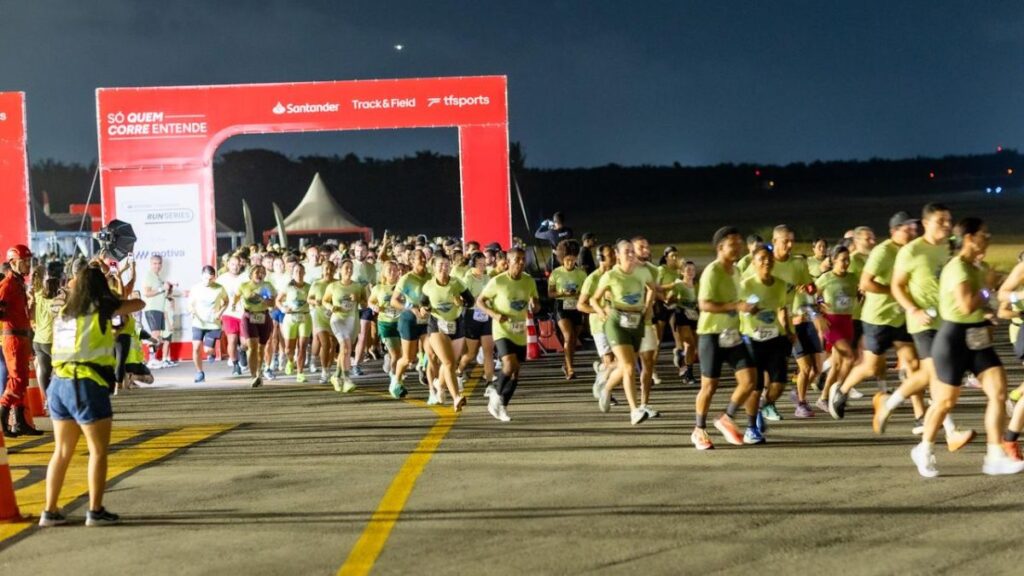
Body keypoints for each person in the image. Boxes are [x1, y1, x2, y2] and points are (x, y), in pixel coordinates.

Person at [841, 205, 973, 450]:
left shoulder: (947, 248)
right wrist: (913, 309)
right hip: (921, 322)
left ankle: (891, 406)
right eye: (941, 221)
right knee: (935, 375)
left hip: (944, 321)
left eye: (949, 220)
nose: (947, 225)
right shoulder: (910, 252)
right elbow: (897, 286)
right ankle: (947, 433)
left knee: (927, 375)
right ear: (926, 223)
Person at [910, 217, 1024, 477]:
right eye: (984, 234)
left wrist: (993, 304)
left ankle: (994, 455)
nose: (989, 238)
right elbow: (965, 306)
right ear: (970, 238)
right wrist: (987, 288)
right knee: (946, 401)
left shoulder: (976, 267)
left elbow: (986, 301)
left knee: (998, 392)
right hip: (953, 339)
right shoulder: (957, 268)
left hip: (977, 337)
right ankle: (924, 448)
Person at [39, 264, 145, 527]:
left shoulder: (65, 312)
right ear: (99, 288)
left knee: (61, 452)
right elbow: (138, 303)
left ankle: (49, 511)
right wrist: (114, 290)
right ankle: (95, 511)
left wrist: (112, 332)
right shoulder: (101, 306)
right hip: (87, 384)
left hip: (58, 385)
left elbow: (82, 341)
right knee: (98, 451)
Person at [692, 227, 758, 449]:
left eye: (739, 243)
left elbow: (738, 299)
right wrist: (735, 306)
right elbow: (704, 304)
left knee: (750, 380)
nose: (738, 247)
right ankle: (699, 429)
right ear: (721, 247)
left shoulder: (736, 271)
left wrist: (748, 307)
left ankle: (726, 417)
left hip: (732, 334)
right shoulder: (713, 271)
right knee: (709, 386)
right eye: (733, 244)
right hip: (710, 334)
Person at [591, 240, 655, 426]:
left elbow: (652, 288)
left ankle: (606, 388)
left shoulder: (642, 272)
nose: (630, 255)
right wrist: (603, 313)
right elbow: (595, 299)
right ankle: (634, 410)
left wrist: (648, 306)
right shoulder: (611, 276)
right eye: (626, 252)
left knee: (625, 365)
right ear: (617, 255)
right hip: (616, 323)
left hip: (637, 322)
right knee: (629, 367)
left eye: (632, 251)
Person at [477, 248, 539, 422]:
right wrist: (495, 315)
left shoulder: (528, 281)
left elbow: (536, 302)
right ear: (508, 261)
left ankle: (502, 406)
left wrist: (535, 306)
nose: (520, 262)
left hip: (519, 330)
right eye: (516, 259)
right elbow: (480, 301)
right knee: (509, 364)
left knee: (515, 372)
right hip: (502, 329)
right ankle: (495, 391)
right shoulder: (498, 281)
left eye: (522, 259)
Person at [739, 244, 791, 443]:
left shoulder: (779, 284)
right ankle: (751, 428)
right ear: (754, 262)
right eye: (762, 259)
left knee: (779, 385)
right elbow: (736, 309)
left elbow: (781, 309)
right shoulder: (746, 285)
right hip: (751, 340)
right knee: (756, 386)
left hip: (775, 338)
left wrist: (787, 333)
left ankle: (763, 405)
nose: (767, 262)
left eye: (769, 258)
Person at [0, 244, 41, 437]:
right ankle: (3, 417)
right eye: (25, 262)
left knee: (22, 380)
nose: (28, 265)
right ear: (13, 262)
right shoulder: (8, 284)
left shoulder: (18, 284)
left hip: (22, 336)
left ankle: (20, 422)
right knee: (16, 380)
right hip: (13, 337)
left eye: (28, 261)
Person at [421, 254, 471, 411]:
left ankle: (439, 385)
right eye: (440, 265)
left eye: (446, 264)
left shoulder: (457, 283)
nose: (444, 268)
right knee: (448, 363)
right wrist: (425, 309)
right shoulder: (428, 286)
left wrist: (461, 302)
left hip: (457, 324)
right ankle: (456, 398)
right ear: (434, 268)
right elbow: (423, 304)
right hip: (437, 325)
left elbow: (471, 302)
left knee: (451, 363)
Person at [814, 246, 859, 413]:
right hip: (831, 323)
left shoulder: (853, 278)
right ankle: (840, 392)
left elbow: (859, 293)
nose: (846, 263)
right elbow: (808, 296)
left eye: (848, 260)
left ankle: (824, 398)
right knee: (849, 359)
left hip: (847, 321)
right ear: (833, 261)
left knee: (838, 364)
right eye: (842, 260)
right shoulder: (825, 278)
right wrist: (818, 307)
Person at [390, 250, 432, 399]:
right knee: (408, 359)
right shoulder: (406, 279)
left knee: (431, 355)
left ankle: (433, 392)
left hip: (426, 320)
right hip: (409, 320)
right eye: (418, 258)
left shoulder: (430, 277)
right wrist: (411, 308)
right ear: (412, 261)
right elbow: (394, 300)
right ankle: (396, 380)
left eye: (423, 257)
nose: (422, 259)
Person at [578, 244, 617, 402]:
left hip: (615, 324)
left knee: (615, 361)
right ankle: (605, 391)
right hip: (599, 325)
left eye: (614, 254)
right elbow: (581, 305)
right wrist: (600, 310)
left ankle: (601, 371)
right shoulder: (592, 279)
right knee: (609, 360)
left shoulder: (616, 275)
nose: (614, 258)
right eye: (610, 255)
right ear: (601, 259)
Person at [324, 260, 366, 393]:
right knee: (345, 347)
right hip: (338, 320)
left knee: (345, 350)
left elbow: (365, 305)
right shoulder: (333, 286)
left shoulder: (358, 287)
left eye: (351, 268)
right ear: (340, 270)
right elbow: (325, 301)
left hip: (352, 321)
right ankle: (347, 379)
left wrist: (358, 299)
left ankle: (336, 376)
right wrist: (331, 307)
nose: (349, 270)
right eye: (346, 268)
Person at [548, 240, 587, 380]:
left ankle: (567, 363)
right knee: (568, 336)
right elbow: (550, 293)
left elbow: (585, 292)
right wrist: (562, 293)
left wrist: (577, 294)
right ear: (561, 259)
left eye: (573, 260)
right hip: (561, 306)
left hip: (576, 307)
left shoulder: (582, 274)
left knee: (574, 339)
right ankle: (570, 369)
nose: (570, 263)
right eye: (567, 260)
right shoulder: (556, 273)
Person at [456, 252, 496, 386]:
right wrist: (477, 299)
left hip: (486, 316)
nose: (483, 267)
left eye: (484, 264)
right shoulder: (467, 279)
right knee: (471, 354)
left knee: (488, 351)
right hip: (472, 316)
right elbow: (463, 299)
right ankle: (459, 371)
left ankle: (489, 383)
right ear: (473, 265)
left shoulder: (487, 277)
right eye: (480, 264)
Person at [235, 264, 276, 388]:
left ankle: (259, 373)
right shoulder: (244, 286)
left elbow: (272, 303)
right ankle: (253, 376)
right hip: (249, 317)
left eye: (262, 272)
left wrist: (263, 299)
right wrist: (233, 304)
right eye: (257, 272)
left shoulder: (268, 286)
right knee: (252, 346)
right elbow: (237, 296)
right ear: (251, 274)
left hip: (264, 316)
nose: (260, 275)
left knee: (261, 348)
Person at [187, 266, 228, 383]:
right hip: (198, 322)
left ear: (214, 278)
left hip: (213, 324)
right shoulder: (195, 288)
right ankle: (199, 372)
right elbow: (190, 304)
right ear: (201, 276)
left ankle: (212, 352)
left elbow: (226, 301)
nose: (208, 281)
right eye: (205, 278)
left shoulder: (219, 288)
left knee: (207, 351)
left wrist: (220, 312)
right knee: (195, 348)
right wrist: (192, 311)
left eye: (210, 279)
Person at [33, 261, 67, 395]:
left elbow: (38, 287)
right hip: (50, 341)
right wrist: (63, 293)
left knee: (45, 372)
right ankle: (60, 398)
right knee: (61, 370)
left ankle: (47, 400)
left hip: (38, 341)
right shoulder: (55, 302)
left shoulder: (39, 296)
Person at [277, 263, 312, 384]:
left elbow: (313, 299)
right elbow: (278, 300)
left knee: (302, 347)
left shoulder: (309, 287)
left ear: (304, 273)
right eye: (296, 271)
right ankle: (290, 361)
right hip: (290, 318)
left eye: (301, 271)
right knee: (288, 348)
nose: (299, 273)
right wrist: (283, 308)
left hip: (305, 317)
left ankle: (300, 373)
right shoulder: (288, 286)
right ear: (292, 273)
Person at [368, 260, 402, 382]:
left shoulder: (402, 286)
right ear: (384, 273)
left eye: (395, 270)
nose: (393, 272)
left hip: (401, 323)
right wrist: (374, 307)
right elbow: (370, 301)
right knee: (396, 354)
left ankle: (389, 359)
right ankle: (394, 378)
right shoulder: (378, 288)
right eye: (389, 270)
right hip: (385, 324)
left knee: (402, 354)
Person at [139, 254, 174, 367]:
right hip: (152, 308)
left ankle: (153, 359)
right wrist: (161, 288)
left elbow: (164, 293)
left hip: (159, 309)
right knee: (155, 335)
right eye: (154, 263)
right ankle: (151, 359)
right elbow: (146, 293)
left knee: (157, 336)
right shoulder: (149, 275)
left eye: (159, 264)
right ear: (150, 264)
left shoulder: (157, 277)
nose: (157, 266)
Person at [670, 260, 699, 385]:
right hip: (682, 315)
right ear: (682, 272)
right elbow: (668, 299)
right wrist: (676, 299)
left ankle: (683, 358)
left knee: (694, 346)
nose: (690, 272)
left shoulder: (697, 286)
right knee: (689, 343)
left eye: (692, 270)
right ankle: (688, 374)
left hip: (694, 316)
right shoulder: (679, 285)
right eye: (687, 270)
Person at [308, 259, 337, 384]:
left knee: (333, 344)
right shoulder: (317, 284)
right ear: (322, 270)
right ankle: (324, 371)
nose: (329, 272)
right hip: (320, 316)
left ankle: (329, 368)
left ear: (335, 270)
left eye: (331, 269)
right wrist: (316, 302)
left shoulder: (338, 283)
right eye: (326, 269)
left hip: (334, 317)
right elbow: (309, 299)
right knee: (325, 343)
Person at [218, 254, 247, 376]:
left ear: (241, 264)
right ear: (228, 264)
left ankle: (242, 351)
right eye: (232, 264)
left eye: (237, 264)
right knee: (232, 340)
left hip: (244, 313)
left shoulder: (245, 277)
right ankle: (235, 365)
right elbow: (217, 296)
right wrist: (219, 312)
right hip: (229, 313)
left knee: (245, 343)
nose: (235, 267)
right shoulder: (222, 279)